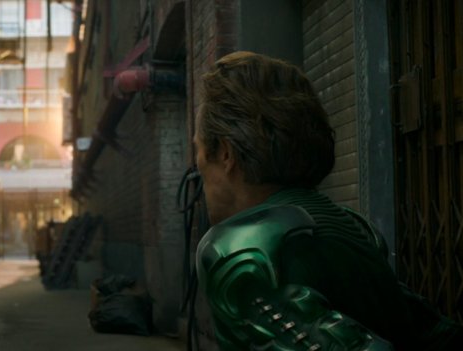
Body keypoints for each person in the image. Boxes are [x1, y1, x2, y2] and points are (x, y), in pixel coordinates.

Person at [194, 51, 462, 350]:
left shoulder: (240, 250)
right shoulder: (350, 225)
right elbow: (431, 329)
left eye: (200, 153)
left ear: (226, 154)